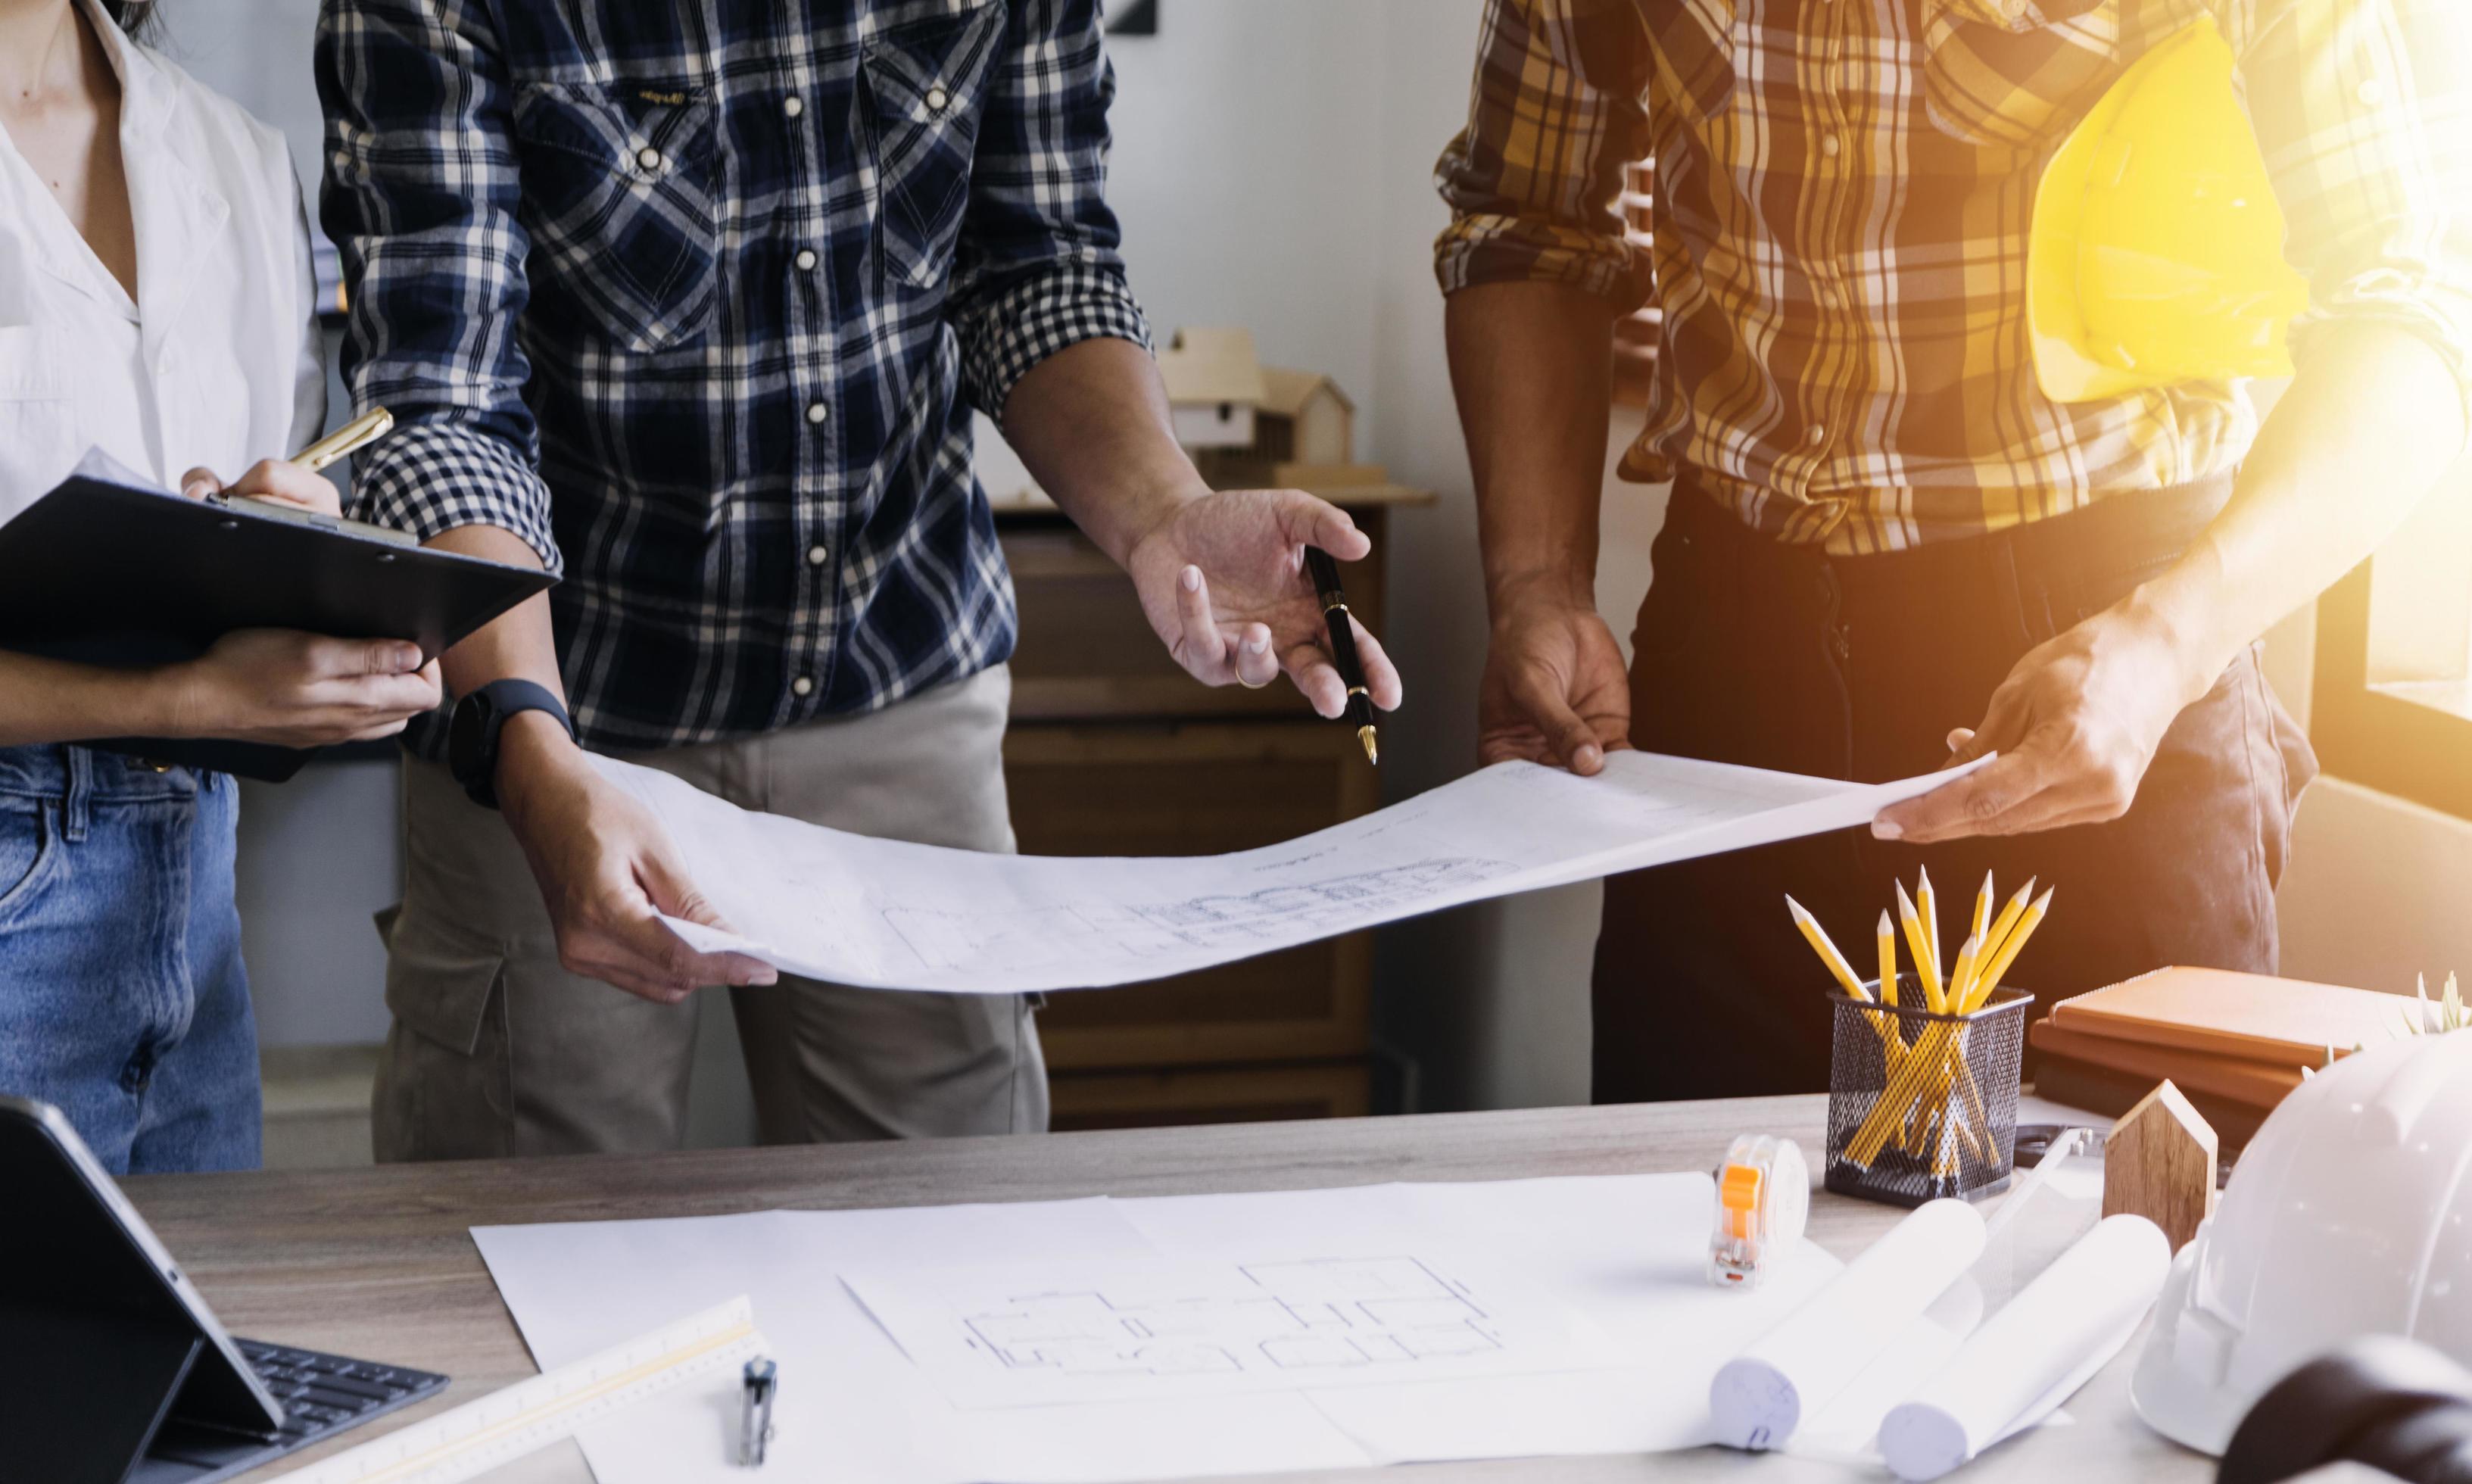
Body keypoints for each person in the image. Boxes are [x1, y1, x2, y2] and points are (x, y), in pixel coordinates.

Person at [318, 0, 1403, 1160]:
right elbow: (442, 402)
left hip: (895, 666)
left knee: (956, 1234)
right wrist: (525, 744)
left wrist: (1164, 515)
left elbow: (1037, 270)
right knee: (530, 1211)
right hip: (553, 701)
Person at [1437, 0, 2472, 1101]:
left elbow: (2409, 315)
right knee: (1697, 1240)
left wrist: (2169, 642)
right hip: (1729, 658)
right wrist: (1537, 579)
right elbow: (1526, 224)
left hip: (2110, 670)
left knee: (2128, 1240)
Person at [0, 0, 442, 1174]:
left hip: (195, 895)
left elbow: (273, 476)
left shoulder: (236, 157)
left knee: (192, 1347)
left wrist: (291, 553)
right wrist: (188, 698)